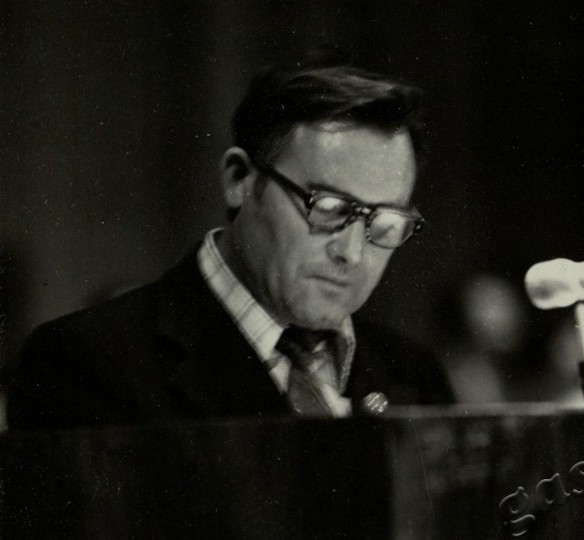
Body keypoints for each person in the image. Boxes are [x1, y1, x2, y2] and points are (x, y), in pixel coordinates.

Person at [6, 52, 453, 429]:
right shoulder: (86, 364)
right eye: (330, 208)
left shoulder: (414, 373)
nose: (352, 253)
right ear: (239, 179)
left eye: (384, 222)